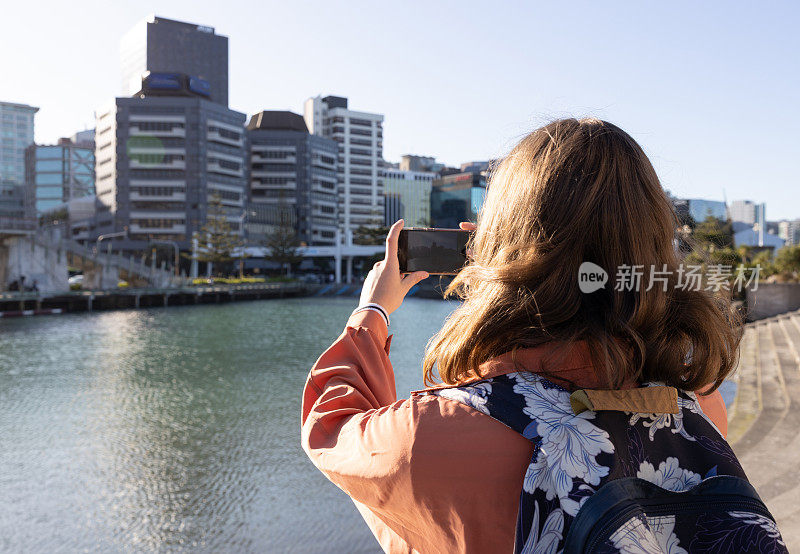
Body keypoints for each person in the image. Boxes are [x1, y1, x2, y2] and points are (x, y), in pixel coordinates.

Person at [301, 119, 776, 552]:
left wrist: (374, 309)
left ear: (503, 252)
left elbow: (332, 426)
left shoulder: (434, 435)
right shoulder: (696, 408)